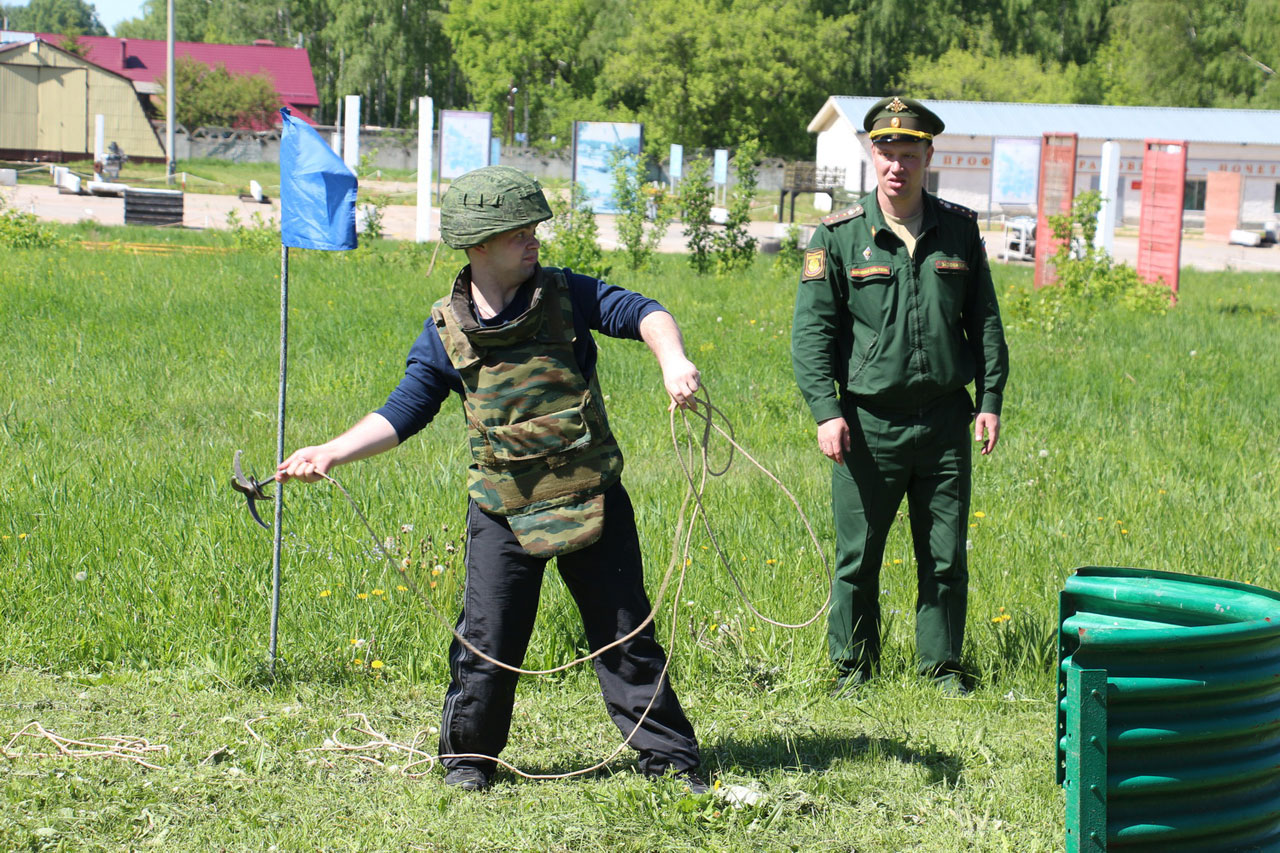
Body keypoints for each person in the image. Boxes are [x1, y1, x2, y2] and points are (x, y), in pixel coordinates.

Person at [276, 165, 706, 792]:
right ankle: (469, 763)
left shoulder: (566, 294)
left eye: (535, 229)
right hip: (503, 507)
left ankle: (670, 763)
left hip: (591, 497)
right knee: (487, 642)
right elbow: (404, 410)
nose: (534, 241)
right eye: (518, 233)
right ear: (478, 245)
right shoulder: (446, 330)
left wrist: (673, 359)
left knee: (625, 636)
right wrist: (333, 451)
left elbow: (644, 311)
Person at [790, 96, 1009, 696]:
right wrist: (825, 412)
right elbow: (812, 333)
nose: (897, 166)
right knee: (858, 557)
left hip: (943, 421)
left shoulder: (958, 230)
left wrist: (989, 398)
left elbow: (984, 321)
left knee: (943, 556)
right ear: (871, 154)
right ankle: (853, 670)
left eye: (908, 154)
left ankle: (940, 668)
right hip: (866, 425)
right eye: (886, 153)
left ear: (928, 156)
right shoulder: (837, 237)